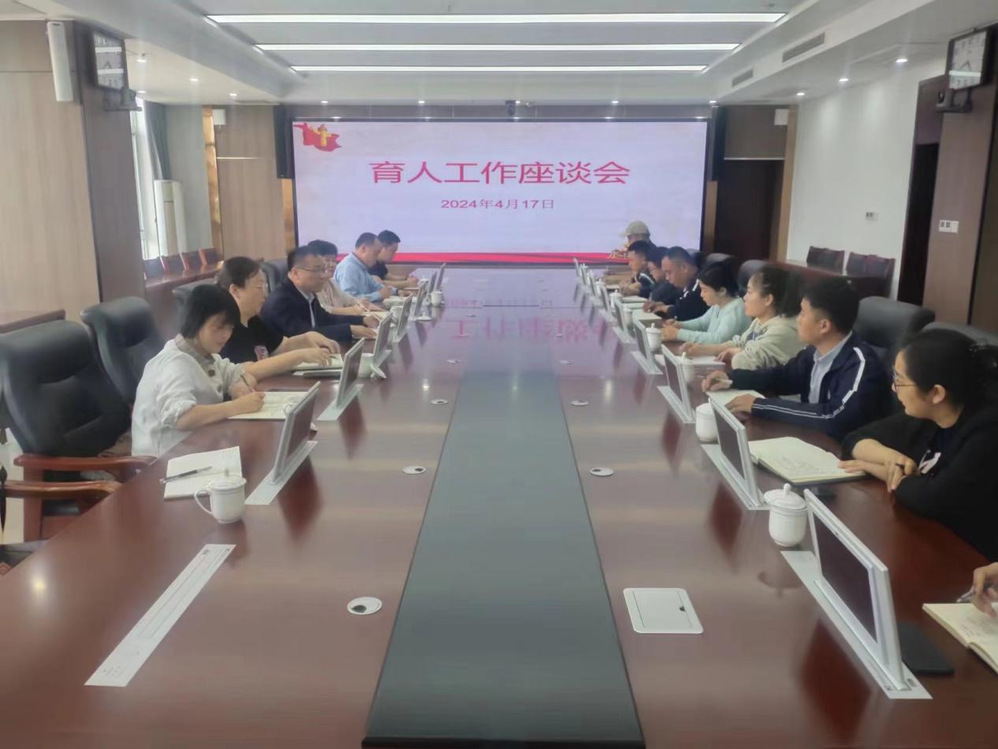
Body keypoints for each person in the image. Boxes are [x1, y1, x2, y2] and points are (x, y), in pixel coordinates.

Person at [839, 329, 998, 559]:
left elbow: (934, 500)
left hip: (969, 558)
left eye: (900, 381)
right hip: (927, 538)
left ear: (936, 393)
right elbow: (854, 439)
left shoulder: (987, 431)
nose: (893, 388)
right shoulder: (929, 416)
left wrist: (880, 470)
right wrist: (889, 458)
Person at [704, 277, 888, 440]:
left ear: (824, 326)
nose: (797, 319)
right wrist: (732, 379)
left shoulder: (861, 364)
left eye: (803, 313)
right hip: (811, 439)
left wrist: (760, 405)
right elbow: (783, 376)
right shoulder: (813, 351)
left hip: (842, 453)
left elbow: (833, 416)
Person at [132, 285, 264, 457]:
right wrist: (236, 406)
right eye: (218, 327)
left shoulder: (206, 355)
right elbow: (182, 418)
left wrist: (239, 386)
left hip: (196, 447)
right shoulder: (175, 364)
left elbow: (241, 373)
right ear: (196, 322)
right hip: (162, 461)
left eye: (230, 328)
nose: (226, 335)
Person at [217, 257, 340, 376]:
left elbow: (283, 346)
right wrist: (299, 356)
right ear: (235, 290)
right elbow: (245, 371)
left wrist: (307, 338)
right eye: (259, 287)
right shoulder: (225, 328)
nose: (265, 294)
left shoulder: (253, 321)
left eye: (265, 287)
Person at [681, 265, 803, 370]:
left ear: (768, 299)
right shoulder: (759, 321)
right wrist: (702, 349)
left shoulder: (781, 331)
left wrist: (738, 352)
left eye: (749, 292)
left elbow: (745, 363)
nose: (744, 297)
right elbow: (739, 343)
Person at [261, 245, 379, 345]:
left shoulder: (307, 292)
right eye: (317, 270)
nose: (323, 276)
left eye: (324, 270)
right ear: (296, 273)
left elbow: (325, 318)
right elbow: (304, 334)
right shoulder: (281, 301)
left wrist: (362, 320)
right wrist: (349, 330)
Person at [660, 262, 750, 344]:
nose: (701, 294)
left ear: (722, 291)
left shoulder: (736, 309)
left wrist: (679, 334)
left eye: (705, 290)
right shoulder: (719, 303)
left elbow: (719, 339)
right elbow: (702, 323)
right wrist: (680, 325)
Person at [306, 239, 381, 313]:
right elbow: (322, 310)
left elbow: (350, 300)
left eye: (334, 260)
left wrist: (363, 304)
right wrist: (351, 310)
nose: (332, 265)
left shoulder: (332, 283)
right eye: (327, 260)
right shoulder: (312, 286)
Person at [646, 247, 708, 321]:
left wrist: (663, 308)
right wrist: (661, 304)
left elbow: (683, 312)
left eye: (669, 272)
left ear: (684, 267)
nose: (667, 278)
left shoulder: (702, 285)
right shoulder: (685, 285)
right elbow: (675, 299)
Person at [334, 232, 396, 303]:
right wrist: (379, 295)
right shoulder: (348, 268)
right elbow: (349, 299)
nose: (377, 257)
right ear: (363, 248)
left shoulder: (362, 267)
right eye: (376, 253)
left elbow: (378, 287)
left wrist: (395, 291)